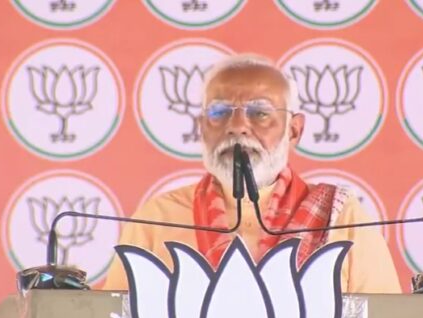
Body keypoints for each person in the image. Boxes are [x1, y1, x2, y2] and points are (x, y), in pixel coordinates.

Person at [103, 54, 401, 293]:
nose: (237, 127)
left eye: (260, 113)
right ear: (201, 128)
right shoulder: (156, 219)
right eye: (219, 112)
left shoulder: (342, 218)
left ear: (294, 131)